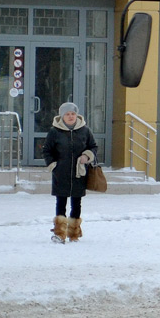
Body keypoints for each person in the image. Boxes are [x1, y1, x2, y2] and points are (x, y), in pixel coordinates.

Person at [43, 102, 98, 244]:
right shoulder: (54, 131)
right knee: (61, 202)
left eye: (73, 114)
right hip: (60, 173)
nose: (70, 116)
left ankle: (74, 233)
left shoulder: (85, 130)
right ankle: (60, 233)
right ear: (62, 116)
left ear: (77, 115)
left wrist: (87, 155)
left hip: (79, 174)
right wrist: (53, 165)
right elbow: (47, 150)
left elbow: (93, 147)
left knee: (77, 203)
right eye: (67, 114)